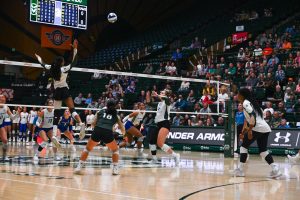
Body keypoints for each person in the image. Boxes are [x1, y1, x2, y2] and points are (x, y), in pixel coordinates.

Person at [35, 39, 85, 149]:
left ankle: (53, 136)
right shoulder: (64, 69)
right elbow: (74, 62)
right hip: (65, 90)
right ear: (61, 62)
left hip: (57, 92)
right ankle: (81, 124)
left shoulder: (51, 69)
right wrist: (75, 49)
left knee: (56, 114)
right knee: (72, 109)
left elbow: (42, 63)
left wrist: (38, 57)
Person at [233, 88, 281, 178]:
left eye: (238, 94)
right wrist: (243, 132)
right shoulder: (253, 103)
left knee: (243, 147)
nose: (237, 96)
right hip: (265, 128)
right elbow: (247, 120)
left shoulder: (245, 103)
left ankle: (240, 170)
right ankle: (275, 169)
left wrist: (250, 130)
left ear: (242, 95)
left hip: (257, 128)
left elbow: (252, 116)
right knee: (263, 151)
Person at [74, 100, 125, 175]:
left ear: (106, 105)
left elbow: (92, 123)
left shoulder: (100, 111)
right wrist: (123, 133)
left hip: (97, 130)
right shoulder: (116, 115)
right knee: (115, 150)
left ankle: (79, 167)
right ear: (115, 106)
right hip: (108, 132)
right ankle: (115, 169)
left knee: (87, 149)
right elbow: (122, 128)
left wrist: (96, 128)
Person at [149, 89, 180, 165]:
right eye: (160, 92)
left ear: (166, 95)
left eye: (162, 93)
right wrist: (149, 96)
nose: (160, 93)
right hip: (158, 124)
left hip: (165, 123)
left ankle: (175, 155)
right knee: (151, 141)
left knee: (160, 143)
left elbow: (166, 99)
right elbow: (150, 103)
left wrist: (157, 95)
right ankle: (154, 159)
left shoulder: (167, 101)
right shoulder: (159, 103)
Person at [0, 95, 21, 161]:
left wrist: (18, 112)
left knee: (5, 140)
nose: (2, 99)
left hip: (0, 125)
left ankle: (4, 156)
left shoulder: (6, 107)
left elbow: (13, 117)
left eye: (3, 98)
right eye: (0, 98)